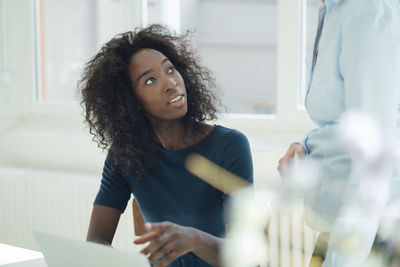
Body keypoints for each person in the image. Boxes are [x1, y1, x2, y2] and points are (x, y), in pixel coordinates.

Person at [78, 24, 253, 267]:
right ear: (131, 102)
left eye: (170, 69)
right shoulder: (124, 156)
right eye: (150, 80)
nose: (170, 83)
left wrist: (195, 240)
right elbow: (97, 240)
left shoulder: (229, 145)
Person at [278, 0, 400, 266]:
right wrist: (305, 143)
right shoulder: (336, 10)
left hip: (362, 236)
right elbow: (343, 117)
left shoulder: (367, 11)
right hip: (339, 228)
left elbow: (373, 155)